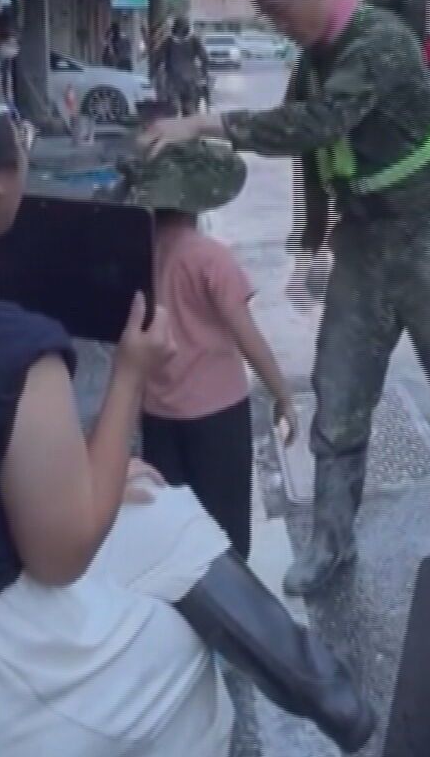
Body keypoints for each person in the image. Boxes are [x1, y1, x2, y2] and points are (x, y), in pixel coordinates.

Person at [0, 63, 374, 755]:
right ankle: (335, 714)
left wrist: (97, 474)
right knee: (186, 664)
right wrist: (129, 374)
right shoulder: (6, 349)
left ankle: (341, 706)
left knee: (162, 512)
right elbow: (60, 555)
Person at [140, 0, 430, 600]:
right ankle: (331, 544)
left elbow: (315, 125)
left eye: (278, 9)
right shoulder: (314, 60)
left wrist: (205, 122)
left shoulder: (380, 43)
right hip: (366, 241)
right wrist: (314, 245)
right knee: (340, 394)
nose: (278, 25)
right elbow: (314, 158)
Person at [123, 138, 298, 562]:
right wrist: (283, 395)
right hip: (218, 418)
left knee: (174, 529)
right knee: (227, 527)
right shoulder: (208, 258)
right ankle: (235, 613)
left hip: (158, 414)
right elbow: (247, 336)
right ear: (197, 201)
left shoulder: (138, 254)